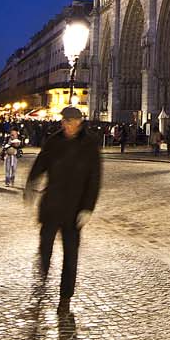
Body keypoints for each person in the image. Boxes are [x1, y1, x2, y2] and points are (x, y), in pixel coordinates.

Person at [24, 106, 102, 312]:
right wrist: (31, 183)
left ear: (79, 122)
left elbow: (94, 179)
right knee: (45, 246)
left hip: (75, 209)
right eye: (64, 122)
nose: (66, 125)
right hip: (52, 205)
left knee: (70, 255)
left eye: (70, 122)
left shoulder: (90, 144)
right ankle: (43, 274)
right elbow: (40, 163)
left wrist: (88, 208)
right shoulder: (54, 141)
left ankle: (65, 296)